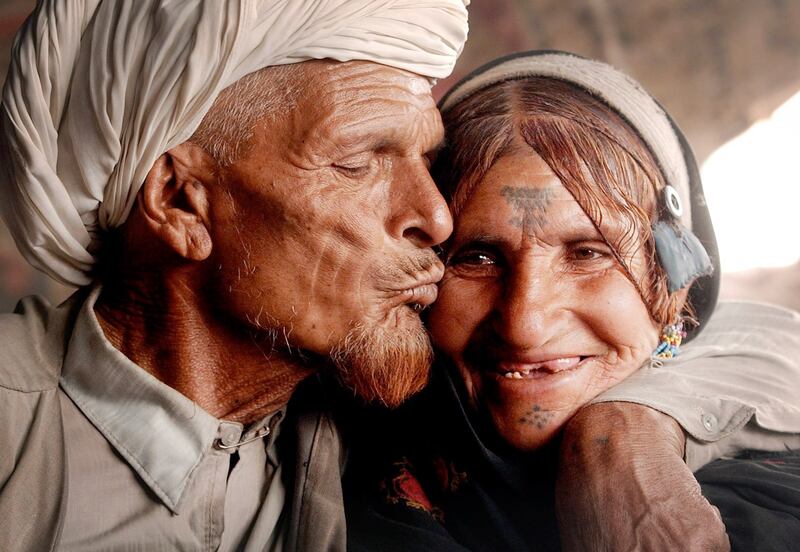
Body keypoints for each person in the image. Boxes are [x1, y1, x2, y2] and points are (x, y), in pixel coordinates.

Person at [0, 3, 795, 549]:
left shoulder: (365, 401)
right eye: (358, 162)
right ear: (181, 199)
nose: (436, 221)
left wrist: (621, 434)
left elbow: (741, 330)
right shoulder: (17, 440)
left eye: (421, 158)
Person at [344, 51, 800, 551]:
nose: (525, 324)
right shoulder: (338, 472)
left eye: (587, 253)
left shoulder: (772, 499)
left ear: (675, 277)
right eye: (476, 257)